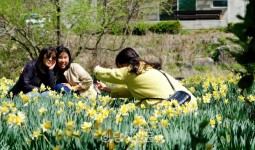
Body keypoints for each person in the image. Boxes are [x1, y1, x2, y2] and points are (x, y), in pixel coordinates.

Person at [94, 47, 197, 106]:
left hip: (168, 107)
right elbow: (135, 92)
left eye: (119, 67)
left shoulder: (130, 71)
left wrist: (95, 69)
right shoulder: (150, 70)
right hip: (188, 102)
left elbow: (106, 74)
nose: (119, 70)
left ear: (122, 65)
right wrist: (108, 89)